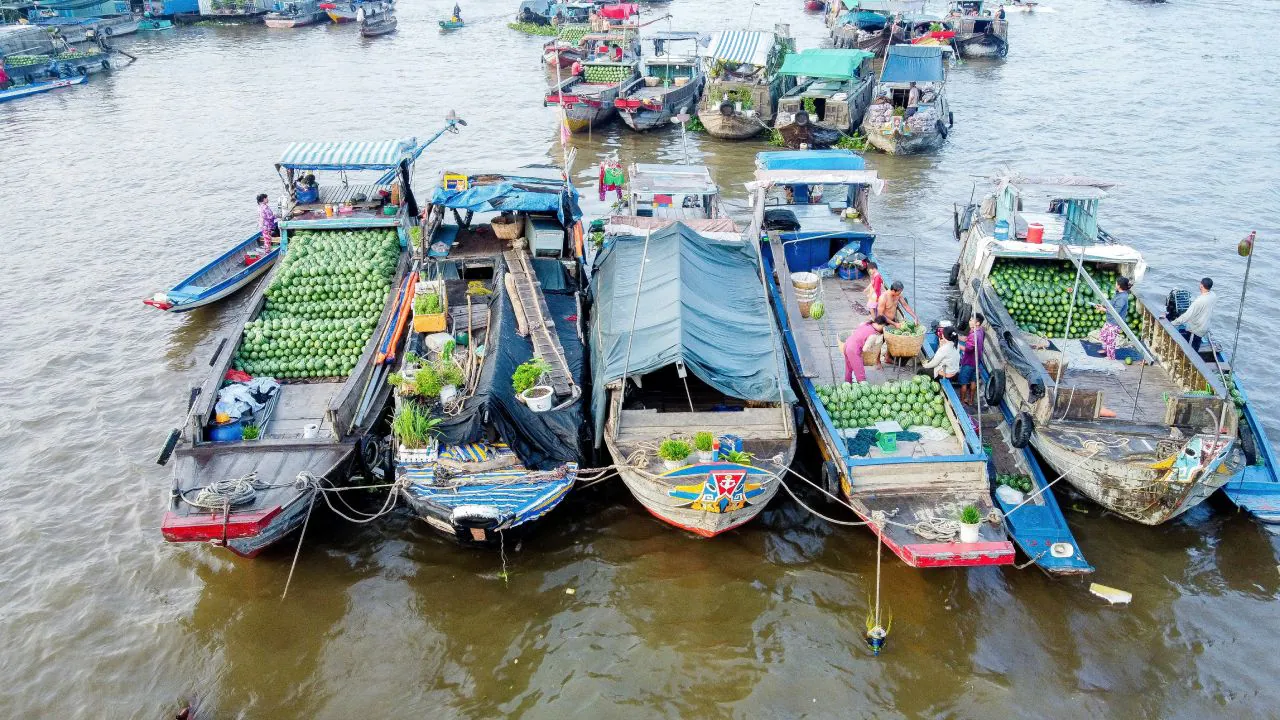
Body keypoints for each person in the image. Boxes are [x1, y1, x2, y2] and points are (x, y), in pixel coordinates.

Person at [1171, 277, 1217, 351]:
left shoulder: (1198, 302)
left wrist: (1172, 323)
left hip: (1195, 330)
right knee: (1196, 346)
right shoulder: (1213, 295)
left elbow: (1186, 316)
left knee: (1190, 350)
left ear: (1201, 286)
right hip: (1204, 327)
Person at [844, 315, 889, 383]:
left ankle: (847, 383)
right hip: (853, 349)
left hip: (847, 344)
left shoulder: (866, 324)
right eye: (883, 327)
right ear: (881, 325)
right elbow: (865, 349)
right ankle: (862, 385)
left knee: (849, 367)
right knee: (859, 369)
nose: (882, 329)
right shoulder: (873, 334)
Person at [1096, 276, 1131, 361]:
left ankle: (1111, 357)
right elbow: (1112, 304)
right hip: (1110, 320)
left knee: (1110, 341)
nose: (1115, 284)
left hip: (1115, 323)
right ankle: (1105, 350)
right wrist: (1103, 306)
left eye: (1116, 283)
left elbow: (1116, 311)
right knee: (1103, 335)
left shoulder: (1122, 298)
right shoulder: (1118, 293)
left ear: (1119, 285)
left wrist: (1103, 309)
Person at [957, 313, 985, 404]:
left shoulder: (974, 335)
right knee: (973, 381)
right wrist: (957, 337)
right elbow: (967, 339)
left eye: (971, 320)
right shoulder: (980, 331)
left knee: (963, 382)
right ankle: (971, 401)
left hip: (968, 362)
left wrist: (957, 345)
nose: (969, 321)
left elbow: (968, 349)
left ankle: (962, 400)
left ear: (977, 323)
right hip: (977, 361)